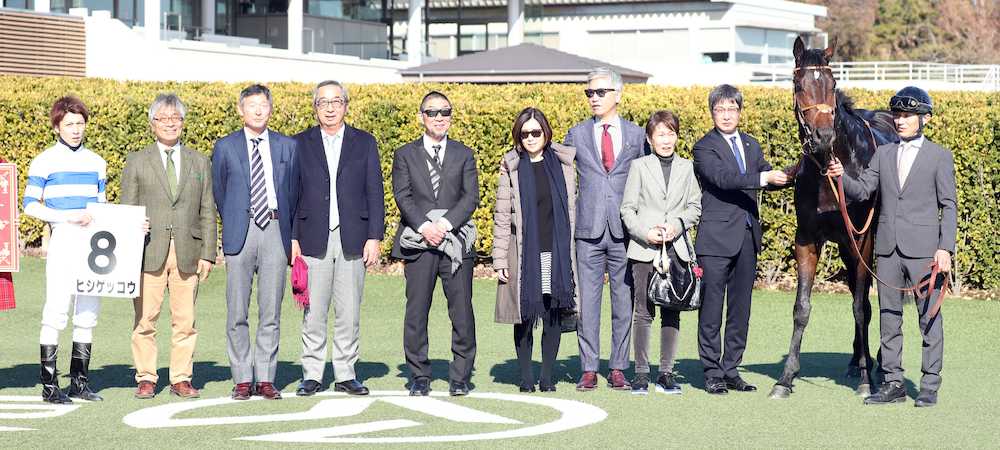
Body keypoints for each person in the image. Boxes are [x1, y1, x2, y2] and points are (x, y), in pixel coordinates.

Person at [827, 86, 956, 407]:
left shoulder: (939, 156)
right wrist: (841, 177)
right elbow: (863, 190)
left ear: (924, 118)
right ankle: (893, 383)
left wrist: (945, 249)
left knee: (929, 319)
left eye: (908, 115)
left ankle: (929, 385)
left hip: (926, 252)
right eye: (897, 115)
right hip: (887, 250)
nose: (900, 120)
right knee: (888, 317)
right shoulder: (883, 154)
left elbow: (949, 205)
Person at [120, 93, 217, 400]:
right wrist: (131, 237)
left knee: (185, 321)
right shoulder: (137, 161)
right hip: (148, 251)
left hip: (188, 251)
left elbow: (207, 209)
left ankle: (181, 378)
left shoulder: (199, 161)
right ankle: (146, 377)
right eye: (163, 118)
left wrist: (208, 253)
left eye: (176, 118)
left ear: (183, 122)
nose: (170, 123)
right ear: (153, 123)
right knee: (145, 319)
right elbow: (127, 208)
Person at [291, 80, 385, 397]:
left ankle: (345, 373)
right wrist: (293, 238)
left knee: (349, 311)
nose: (330, 108)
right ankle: (312, 374)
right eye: (323, 102)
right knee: (314, 311)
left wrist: (374, 236)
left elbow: (375, 191)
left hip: (353, 237)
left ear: (345, 105)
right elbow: (291, 195)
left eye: (336, 101)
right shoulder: (299, 143)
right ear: (315, 107)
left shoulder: (364, 142)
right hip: (312, 237)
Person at [693, 84, 788, 395]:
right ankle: (712, 372)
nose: (726, 115)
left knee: (740, 310)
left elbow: (768, 176)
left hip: (747, 237)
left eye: (731, 109)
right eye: (720, 109)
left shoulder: (750, 144)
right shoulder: (704, 147)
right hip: (715, 240)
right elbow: (724, 179)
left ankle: (731, 369)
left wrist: (794, 173)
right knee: (711, 309)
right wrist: (764, 178)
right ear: (712, 113)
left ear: (740, 112)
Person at [212, 84, 300, 400]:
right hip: (241, 229)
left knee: (270, 310)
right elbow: (219, 191)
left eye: (263, 104)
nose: (258, 110)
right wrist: (236, 218)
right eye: (252, 105)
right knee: (237, 310)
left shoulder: (288, 146)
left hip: (276, 229)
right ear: (241, 110)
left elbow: (295, 193)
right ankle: (241, 378)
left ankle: (265, 377)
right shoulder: (225, 146)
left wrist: (293, 237)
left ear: (270, 109)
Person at [391, 91, 479, 397]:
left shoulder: (464, 154)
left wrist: (443, 225)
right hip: (419, 243)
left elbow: (471, 197)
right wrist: (425, 227)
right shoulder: (405, 154)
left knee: (462, 311)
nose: (439, 118)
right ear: (421, 117)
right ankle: (419, 375)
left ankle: (461, 376)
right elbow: (402, 195)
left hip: (456, 241)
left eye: (445, 112)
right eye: (432, 112)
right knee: (416, 311)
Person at [564, 67, 646, 391]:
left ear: (618, 95)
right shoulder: (576, 134)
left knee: (623, 303)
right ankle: (588, 368)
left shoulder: (637, 135)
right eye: (589, 93)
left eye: (600, 92)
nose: (594, 98)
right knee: (587, 304)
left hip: (625, 232)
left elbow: (647, 180)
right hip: (588, 231)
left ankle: (618, 368)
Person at [23, 96, 108, 403]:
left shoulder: (97, 162)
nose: (75, 129)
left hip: (93, 245)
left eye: (80, 123)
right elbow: (30, 205)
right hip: (63, 240)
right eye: (69, 124)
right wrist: (66, 217)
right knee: (56, 311)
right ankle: (49, 386)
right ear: (57, 127)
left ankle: (79, 384)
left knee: (87, 312)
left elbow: (102, 206)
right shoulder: (44, 161)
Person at [492, 107, 578, 393]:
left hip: (555, 251)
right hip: (523, 252)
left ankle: (547, 376)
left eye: (535, 132)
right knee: (525, 315)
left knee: (552, 314)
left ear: (546, 133)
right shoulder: (512, 166)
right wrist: (499, 259)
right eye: (524, 133)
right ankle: (527, 376)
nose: (530, 138)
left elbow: (572, 210)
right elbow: (501, 216)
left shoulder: (563, 164)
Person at [620, 110, 702, 395]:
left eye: (671, 134)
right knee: (643, 312)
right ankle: (641, 373)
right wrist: (646, 233)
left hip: (676, 249)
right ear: (649, 139)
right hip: (644, 250)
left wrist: (677, 225)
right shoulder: (639, 166)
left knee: (672, 311)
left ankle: (666, 373)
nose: (666, 140)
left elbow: (695, 207)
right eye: (660, 135)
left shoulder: (687, 167)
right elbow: (627, 209)